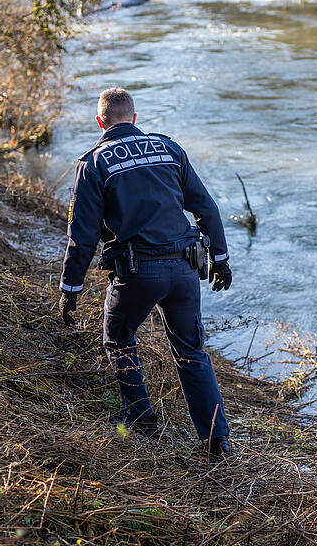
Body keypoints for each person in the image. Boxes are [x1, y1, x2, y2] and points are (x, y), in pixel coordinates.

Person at [57, 88, 233, 460]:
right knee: (191, 350)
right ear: (134, 119)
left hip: (137, 272)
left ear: (100, 122)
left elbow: (82, 235)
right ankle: (217, 439)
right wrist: (220, 258)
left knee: (117, 338)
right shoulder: (169, 149)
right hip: (185, 268)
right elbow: (206, 207)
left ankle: (141, 419)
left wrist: (69, 289)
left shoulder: (93, 163)